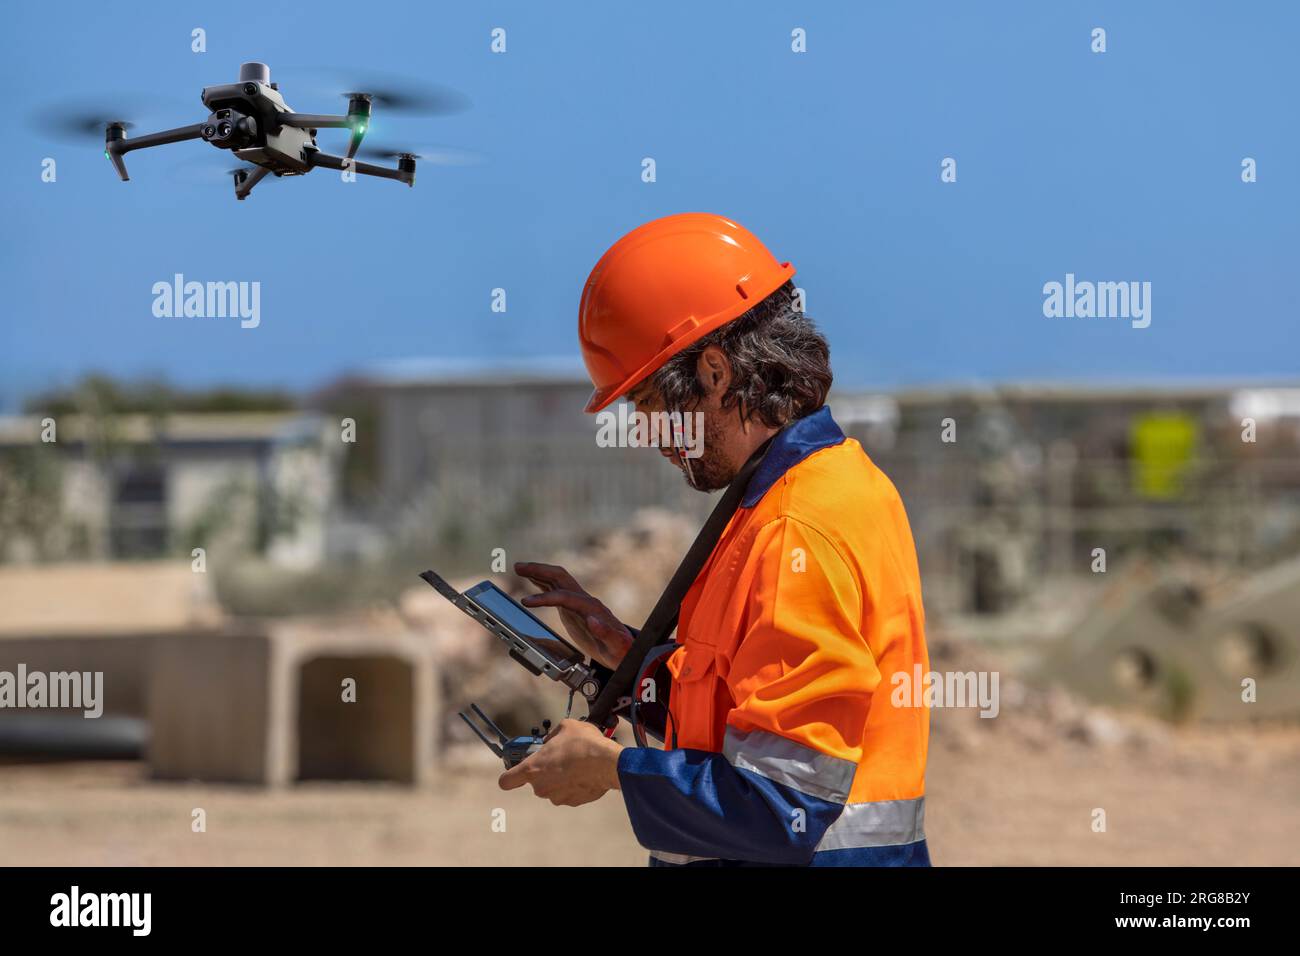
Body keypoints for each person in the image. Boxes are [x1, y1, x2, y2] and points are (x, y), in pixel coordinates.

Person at [499, 213, 931, 866]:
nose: (645, 434)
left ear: (714, 372)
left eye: (646, 403)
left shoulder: (795, 527)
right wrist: (637, 662)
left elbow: (783, 809)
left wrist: (614, 769)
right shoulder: (820, 486)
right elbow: (750, 712)